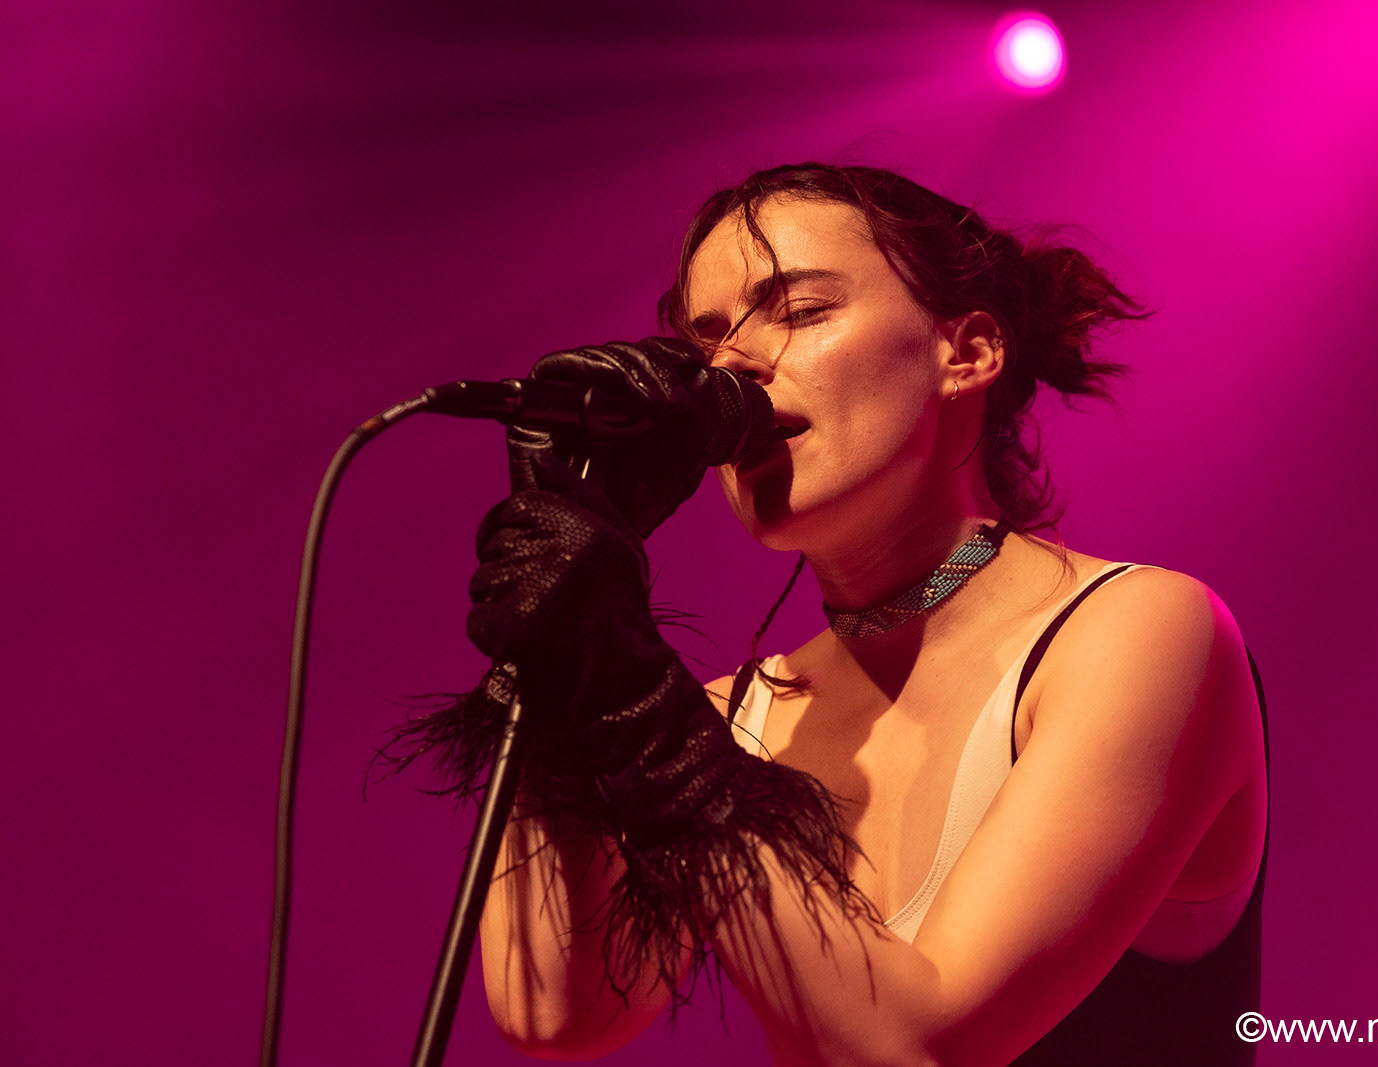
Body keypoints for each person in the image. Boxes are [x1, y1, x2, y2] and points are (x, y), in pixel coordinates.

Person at [433, 163, 1269, 1065]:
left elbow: (918, 1046)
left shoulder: (1139, 632)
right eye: (708, 344)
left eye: (799, 310)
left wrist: (630, 689)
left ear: (967, 353)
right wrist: (558, 648)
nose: (733, 367)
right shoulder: (740, 716)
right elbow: (555, 1010)